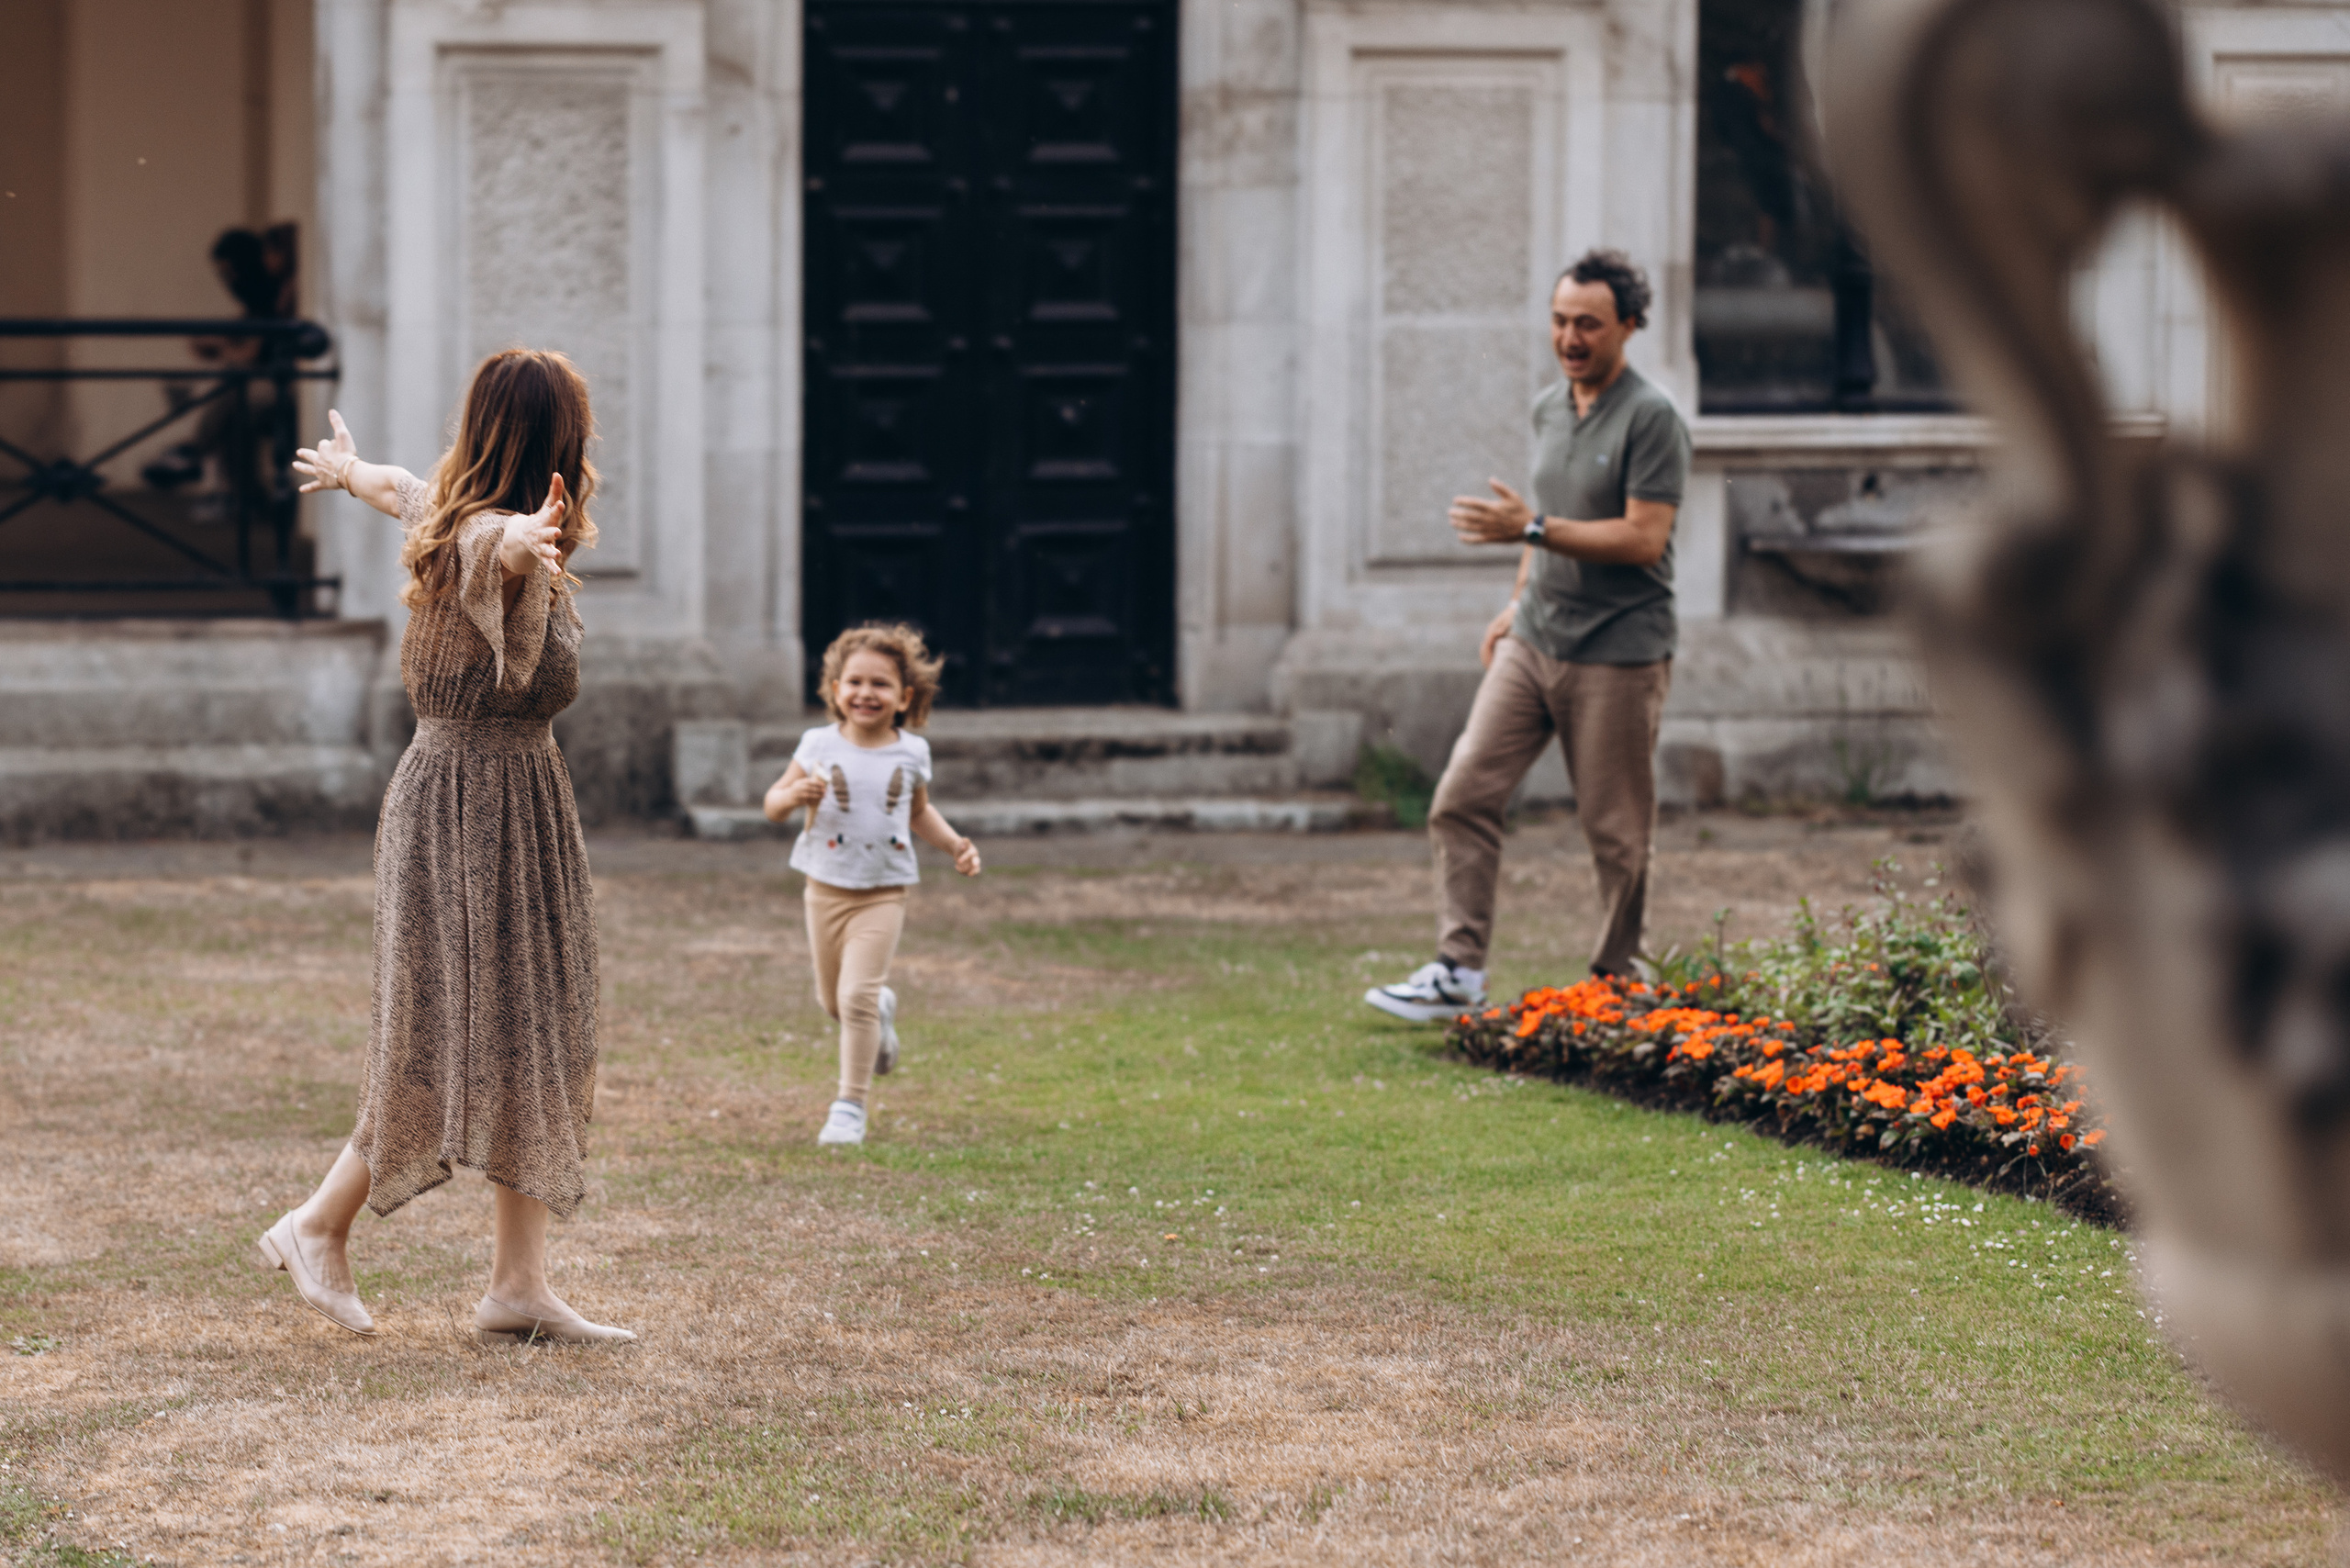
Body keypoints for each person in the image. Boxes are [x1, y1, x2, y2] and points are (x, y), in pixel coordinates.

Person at [264, 349, 632, 1345]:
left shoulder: (436, 505)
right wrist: (525, 538)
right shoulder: (479, 530)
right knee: (445, 1030)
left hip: (519, 802)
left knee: (532, 1031)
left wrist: (349, 472)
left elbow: (396, 487)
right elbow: (496, 546)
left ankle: (518, 1287)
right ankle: (316, 1224)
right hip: (462, 806)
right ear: (559, 435)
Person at [1366, 250, 1692, 1023]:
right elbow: (1538, 523)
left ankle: (1617, 981)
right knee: (1462, 795)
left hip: (1620, 648)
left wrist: (1535, 529)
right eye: (1559, 320)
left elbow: (1644, 539)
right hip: (1537, 637)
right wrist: (1517, 600)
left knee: (1615, 833)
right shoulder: (1551, 407)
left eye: (1588, 323)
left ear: (1630, 327)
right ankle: (1457, 971)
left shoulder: (1653, 418)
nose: (1569, 337)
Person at [764, 624, 982, 1146]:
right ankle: (882, 1013)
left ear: (905, 697)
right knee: (834, 1003)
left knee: (855, 997)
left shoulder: (911, 752)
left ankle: (849, 1107)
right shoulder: (816, 743)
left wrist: (954, 845)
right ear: (835, 688)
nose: (866, 693)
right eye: (855, 682)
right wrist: (794, 793)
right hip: (824, 889)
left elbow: (920, 812)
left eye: (881, 684)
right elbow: (772, 806)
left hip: (884, 891)